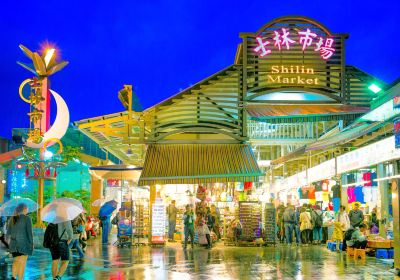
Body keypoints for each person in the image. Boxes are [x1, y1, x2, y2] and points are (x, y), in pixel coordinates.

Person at [6, 203, 33, 280]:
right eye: (27, 208)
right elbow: (29, 234)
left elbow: (8, 233)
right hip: (24, 244)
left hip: (13, 244)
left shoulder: (12, 218)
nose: (28, 210)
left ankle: (13, 277)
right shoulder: (27, 219)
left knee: (16, 262)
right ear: (24, 209)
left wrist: (9, 244)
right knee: (22, 263)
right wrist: (31, 244)